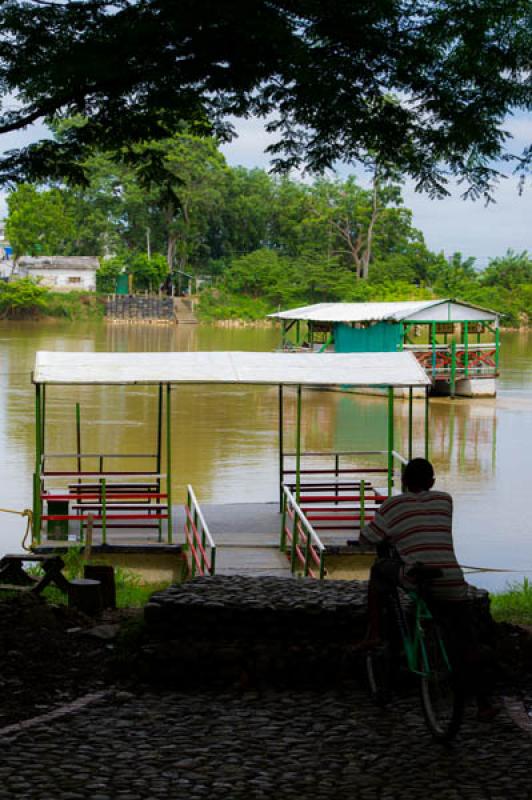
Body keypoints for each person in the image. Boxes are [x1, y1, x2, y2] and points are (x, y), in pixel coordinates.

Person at [359, 457, 498, 721]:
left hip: (416, 576)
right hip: (452, 580)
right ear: (433, 482)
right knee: (467, 643)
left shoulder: (392, 505)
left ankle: (375, 633)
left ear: (403, 482)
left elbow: (368, 537)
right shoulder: (445, 500)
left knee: (379, 570)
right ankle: (483, 703)